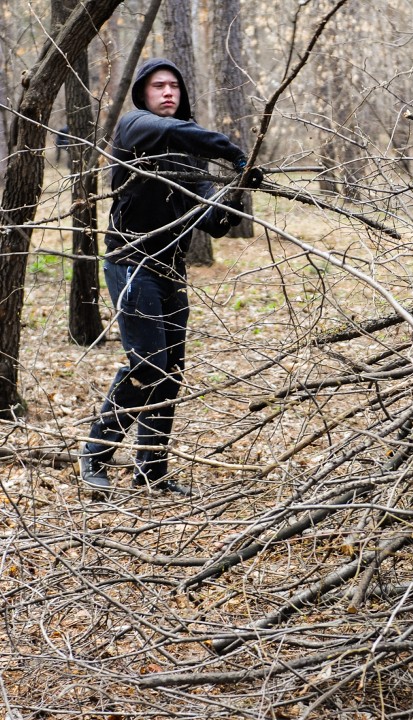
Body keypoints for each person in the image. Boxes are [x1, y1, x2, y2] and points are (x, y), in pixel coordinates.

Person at [79, 58, 263, 495]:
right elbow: (178, 132)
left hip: (169, 269)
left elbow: (214, 220)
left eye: (174, 87)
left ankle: (151, 470)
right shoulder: (134, 127)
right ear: (143, 93)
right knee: (147, 363)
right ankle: (95, 455)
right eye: (158, 86)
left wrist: (240, 185)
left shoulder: (187, 153)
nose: (167, 92)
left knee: (171, 369)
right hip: (130, 262)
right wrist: (233, 152)